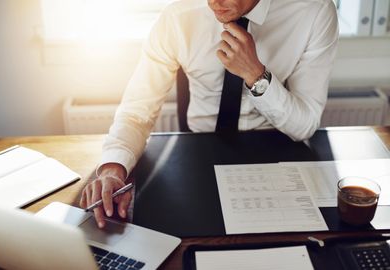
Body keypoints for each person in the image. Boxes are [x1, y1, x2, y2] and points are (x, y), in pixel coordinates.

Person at [80, 0, 339, 228]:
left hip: (277, 153)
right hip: (196, 155)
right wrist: (113, 169)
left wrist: (256, 75)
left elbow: (304, 125)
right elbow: (137, 111)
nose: (213, 2)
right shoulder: (177, 16)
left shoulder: (314, 11)